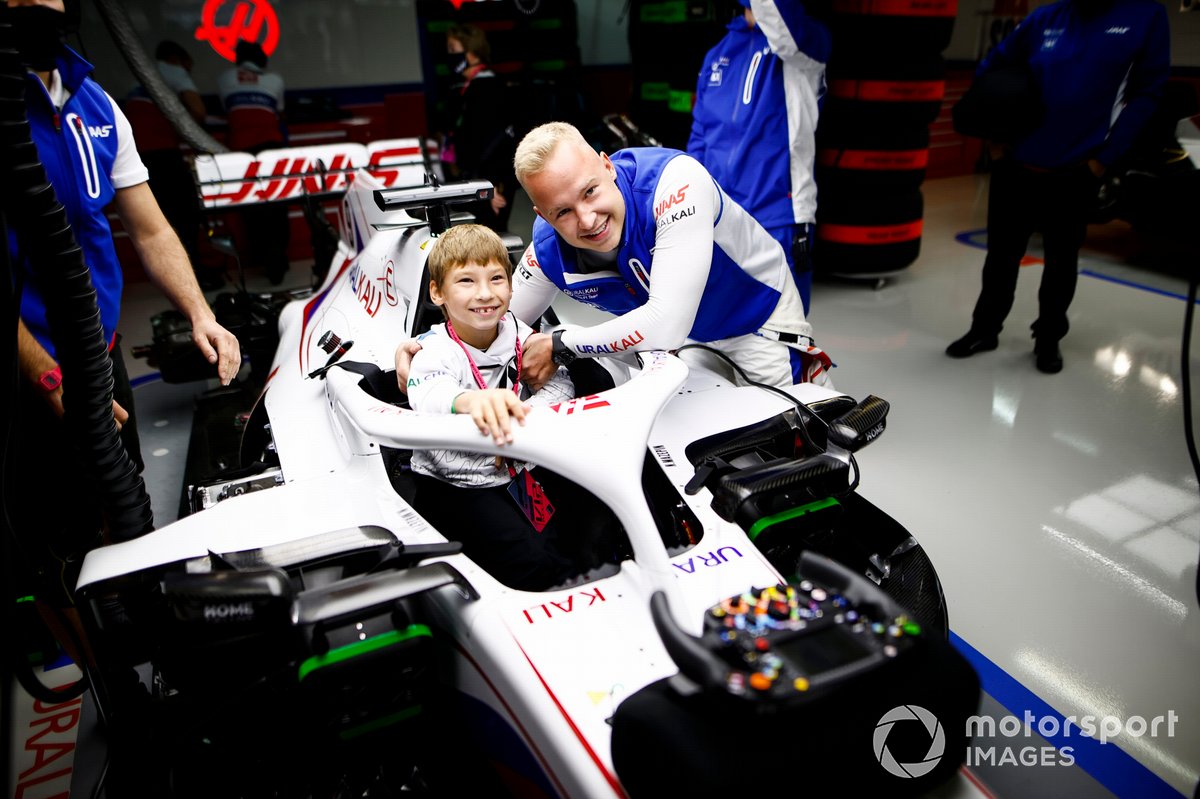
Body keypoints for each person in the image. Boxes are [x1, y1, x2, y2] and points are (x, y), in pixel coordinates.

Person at [5, 0, 240, 606]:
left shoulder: (97, 104)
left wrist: (201, 313)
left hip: (96, 354)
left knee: (123, 500)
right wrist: (51, 379)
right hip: (27, 372)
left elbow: (152, 229)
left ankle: (136, 626)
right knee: (51, 539)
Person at [509, 121, 831, 389]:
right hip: (686, 339)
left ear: (608, 166)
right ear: (543, 216)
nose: (588, 220)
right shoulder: (546, 251)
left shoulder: (675, 182)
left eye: (590, 192)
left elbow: (666, 324)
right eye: (563, 211)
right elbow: (494, 326)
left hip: (755, 317)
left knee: (793, 437)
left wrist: (561, 344)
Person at [945, 0, 1169, 373]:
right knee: (1000, 256)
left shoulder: (1145, 17)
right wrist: (994, 135)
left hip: (1076, 169)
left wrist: (1104, 159)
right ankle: (984, 329)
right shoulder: (1046, 17)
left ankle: (1048, 339)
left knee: (1061, 261)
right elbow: (993, 67)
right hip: (1016, 165)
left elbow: (1148, 93)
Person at [405, 224, 577, 591]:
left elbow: (560, 384)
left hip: (519, 472)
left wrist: (516, 424)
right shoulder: (432, 351)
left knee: (566, 551)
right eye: (466, 281)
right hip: (455, 486)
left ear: (511, 287)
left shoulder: (523, 334)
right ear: (438, 292)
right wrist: (472, 402)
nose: (485, 293)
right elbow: (428, 394)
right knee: (529, 566)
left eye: (496, 278)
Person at [687, 0, 830, 313]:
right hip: (720, 217)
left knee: (784, 332)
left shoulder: (804, 46)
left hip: (779, 216)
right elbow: (700, 136)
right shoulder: (717, 53)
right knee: (721, 333)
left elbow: (782, 25)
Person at [125, 40, 219, 289]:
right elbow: (199, 111)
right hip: (163, 154)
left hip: (137, 156)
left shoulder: (139, 75)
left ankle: (176, 280)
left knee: (161, 220)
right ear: (180, 59)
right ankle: (194, 276)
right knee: (186, 216)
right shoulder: (173, 71)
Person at [217, 39, 290, 284]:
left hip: (240, 152)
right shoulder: (276, 80)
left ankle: (264, 259)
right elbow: (279, 114)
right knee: (278, 204)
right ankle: (278, 259)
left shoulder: (225, 78)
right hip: (272, 151)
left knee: (253, 207)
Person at [440, 24, 517, 232]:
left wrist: (491, 187)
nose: (450, 56)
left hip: (491, 183)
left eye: (453, 50)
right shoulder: (465, 88)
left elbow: (494, 142)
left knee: (492, 240)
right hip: (476, 179)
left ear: (472, 54)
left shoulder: (488, 89)